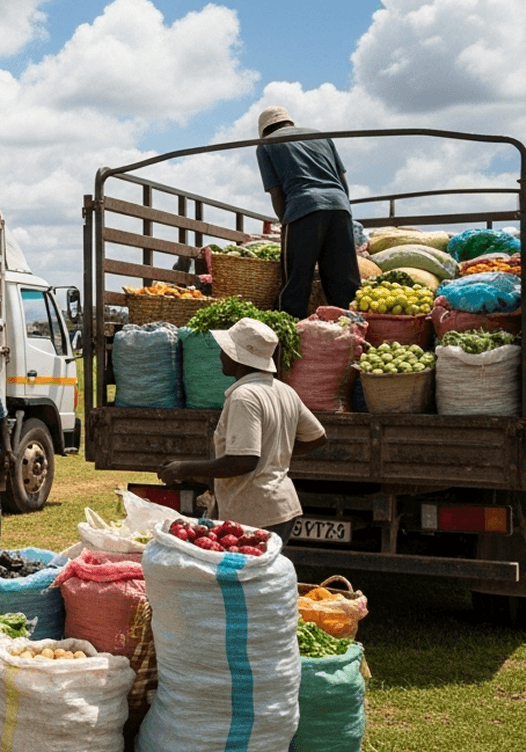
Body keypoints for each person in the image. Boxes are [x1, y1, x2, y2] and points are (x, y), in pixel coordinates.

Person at [158, 317, 327, 544]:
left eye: (225, 351)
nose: (220, 355)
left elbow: (243, 461)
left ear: (238, 358)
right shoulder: (284, 390)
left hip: (255, 513)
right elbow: (317, 437)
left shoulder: (244, 396)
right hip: (280, 508)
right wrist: (274, 454)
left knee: (249, 577)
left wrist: (183, 468)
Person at [256, 105, 361, 320]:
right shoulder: (321, 137)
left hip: (303, 208)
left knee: (296, 281)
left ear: (265, 130)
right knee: (344, 282)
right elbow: (343, 182)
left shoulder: (266, 145)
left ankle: (290, 336)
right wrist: (342, 209)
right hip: (339, 206)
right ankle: (352, 332)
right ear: (289, 122)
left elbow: (276, 194)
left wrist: (287, 224)